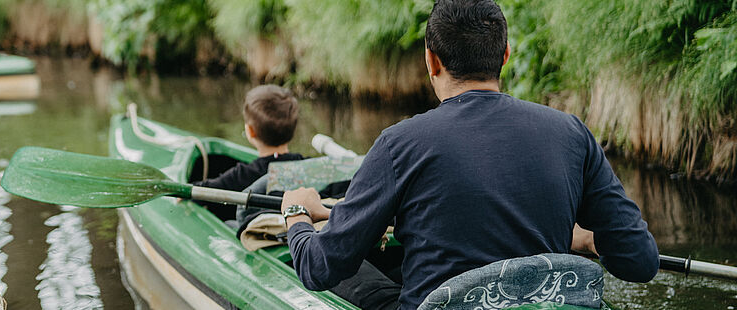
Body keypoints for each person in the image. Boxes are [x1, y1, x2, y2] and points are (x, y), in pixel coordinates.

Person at [277, 1, 660, 309]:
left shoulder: (399, 144)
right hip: (546, 301)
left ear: (431, 61)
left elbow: (319, 268)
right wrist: (592, 240)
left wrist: (296, 213)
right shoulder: (572, 133)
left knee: (354, 271)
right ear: (505, 55)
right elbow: (640, 263)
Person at [192, 85, 305, 222]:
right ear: (293, 130)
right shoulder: (307, 166)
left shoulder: (241, 175)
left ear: (250, 131)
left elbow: (200, 191)